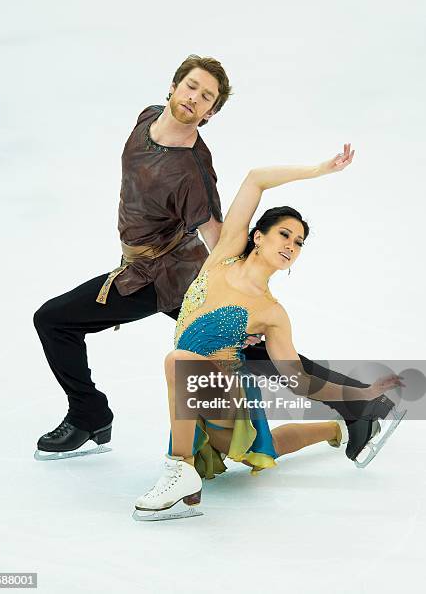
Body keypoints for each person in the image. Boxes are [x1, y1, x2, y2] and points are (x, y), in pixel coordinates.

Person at [33, 54, 396, 463]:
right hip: (137, 268)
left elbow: (217, 233)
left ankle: (88, 414)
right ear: (172, 87)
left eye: (207, 97)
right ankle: (91, 413)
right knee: (257, 354)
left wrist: (241, 300)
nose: (194, 98)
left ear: (210, 113)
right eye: (191, 87)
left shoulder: (191, 171)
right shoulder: (147, 118)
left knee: (54, 320)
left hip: (166, 277)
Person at [133, 145, 406, 521]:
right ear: (258, 236)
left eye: (298, 243)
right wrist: (319, 169)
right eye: (285, 234)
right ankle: (336, 429)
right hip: (194, 402)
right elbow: (256, 179)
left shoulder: (272, 313)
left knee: (178, 361)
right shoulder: (223, 256)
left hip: (226, 395)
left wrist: (360, 392)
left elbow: (299, 379)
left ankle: (179, 469)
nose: (291, 246)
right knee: (269, 446)